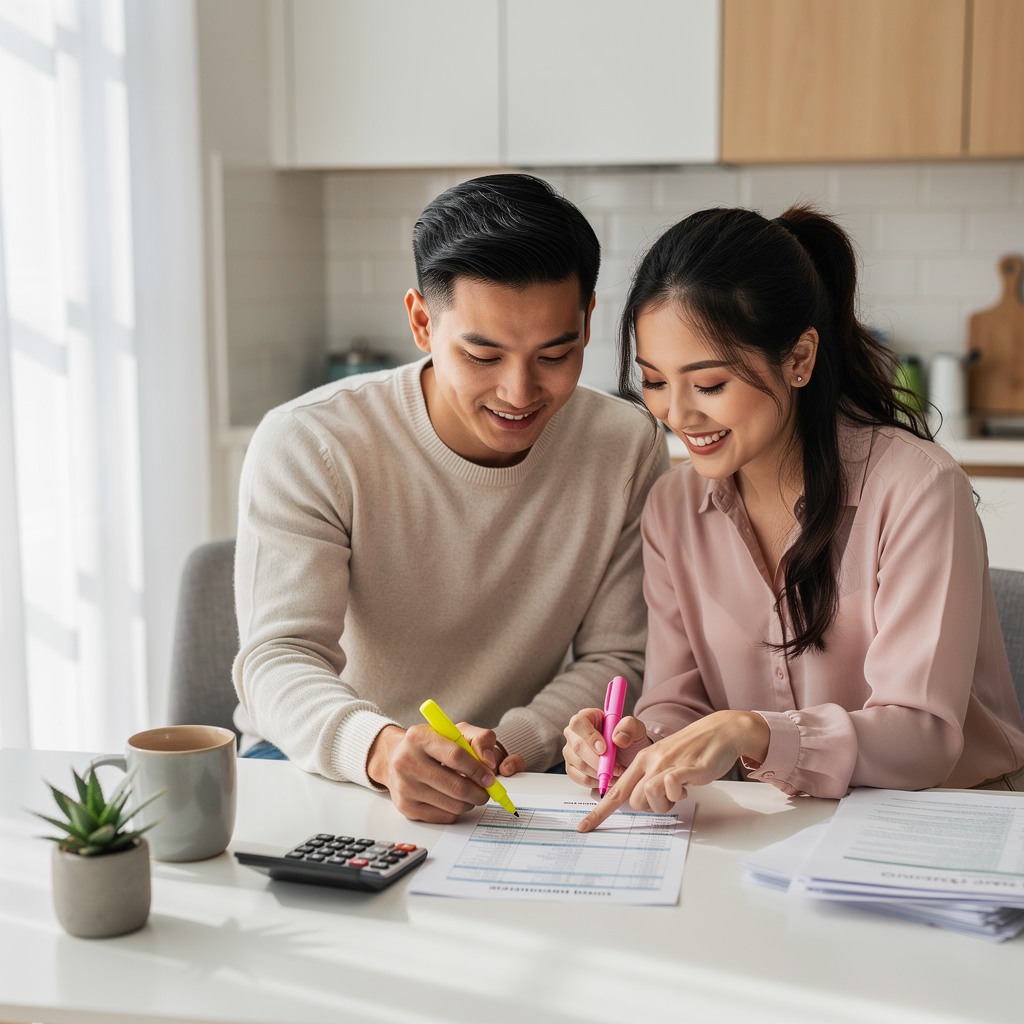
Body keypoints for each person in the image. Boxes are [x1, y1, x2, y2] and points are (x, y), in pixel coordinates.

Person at [563, 204, 1024, 832]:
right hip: (785, 824)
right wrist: (642, 745)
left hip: (951, 822)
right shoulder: (673, 509)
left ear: (799, 357)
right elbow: (679, 698)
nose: (678, 414)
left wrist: (754, 733)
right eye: (653, 381)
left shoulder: (917, 488)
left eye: (709, 384)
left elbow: (923, 739)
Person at [232, 173, 669, 823]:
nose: (520, 391)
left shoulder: (624, 444)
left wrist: (509, 750)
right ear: (420, 321)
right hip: (326, 759)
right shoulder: (314, 441)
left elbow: (618, 658)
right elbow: (277, 659)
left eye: (555, 353)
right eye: (483, 355)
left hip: (517, 773)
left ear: (586, 323)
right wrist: (382, 751)